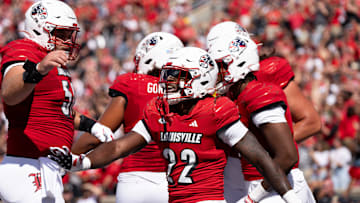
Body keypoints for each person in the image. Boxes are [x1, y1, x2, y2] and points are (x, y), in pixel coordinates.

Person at [49, 47, 301, 203]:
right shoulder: (160, 110)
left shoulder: (215, 110)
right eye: (168, 76)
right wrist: (80, 162)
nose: (167, 83)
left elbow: (260, 157)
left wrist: (288, 195)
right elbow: (118, 148)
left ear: (200, 79)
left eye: (176, 77)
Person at [0, 1, 114, 202]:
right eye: (61, 33)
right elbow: (9, 92)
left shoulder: (50, 61)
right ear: (39, 29)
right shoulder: (26, 50)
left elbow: (60, 111)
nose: (67, 40)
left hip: (48, 165)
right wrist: (37, 70)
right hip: (28, 164)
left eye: (69, 34)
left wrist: (91, 126)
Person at [206, 21, 321, 203]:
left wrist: (265, 154)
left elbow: (310, 123)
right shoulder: (230, 87)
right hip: (243, 173)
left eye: (219, 63)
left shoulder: (261, 84)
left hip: (269, 176)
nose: (214, 70)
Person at [71, 32, 184, 203]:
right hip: (180, 179)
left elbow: (99, 135)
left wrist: (68, 157)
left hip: (136, 180)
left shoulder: (132, 84)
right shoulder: (191, 91)